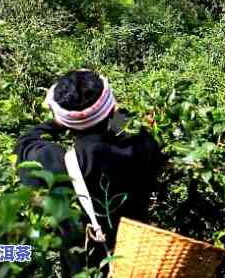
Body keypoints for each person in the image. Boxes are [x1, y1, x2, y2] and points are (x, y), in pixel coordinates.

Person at [15, 70, 166, 277]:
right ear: (109, 107)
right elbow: (124, 123)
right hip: (134, 264)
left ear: (63, 119)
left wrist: (58, 121)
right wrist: (113, 114)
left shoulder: (56, 162)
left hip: (82, 269)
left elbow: (26, 142)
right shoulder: (141, 146)